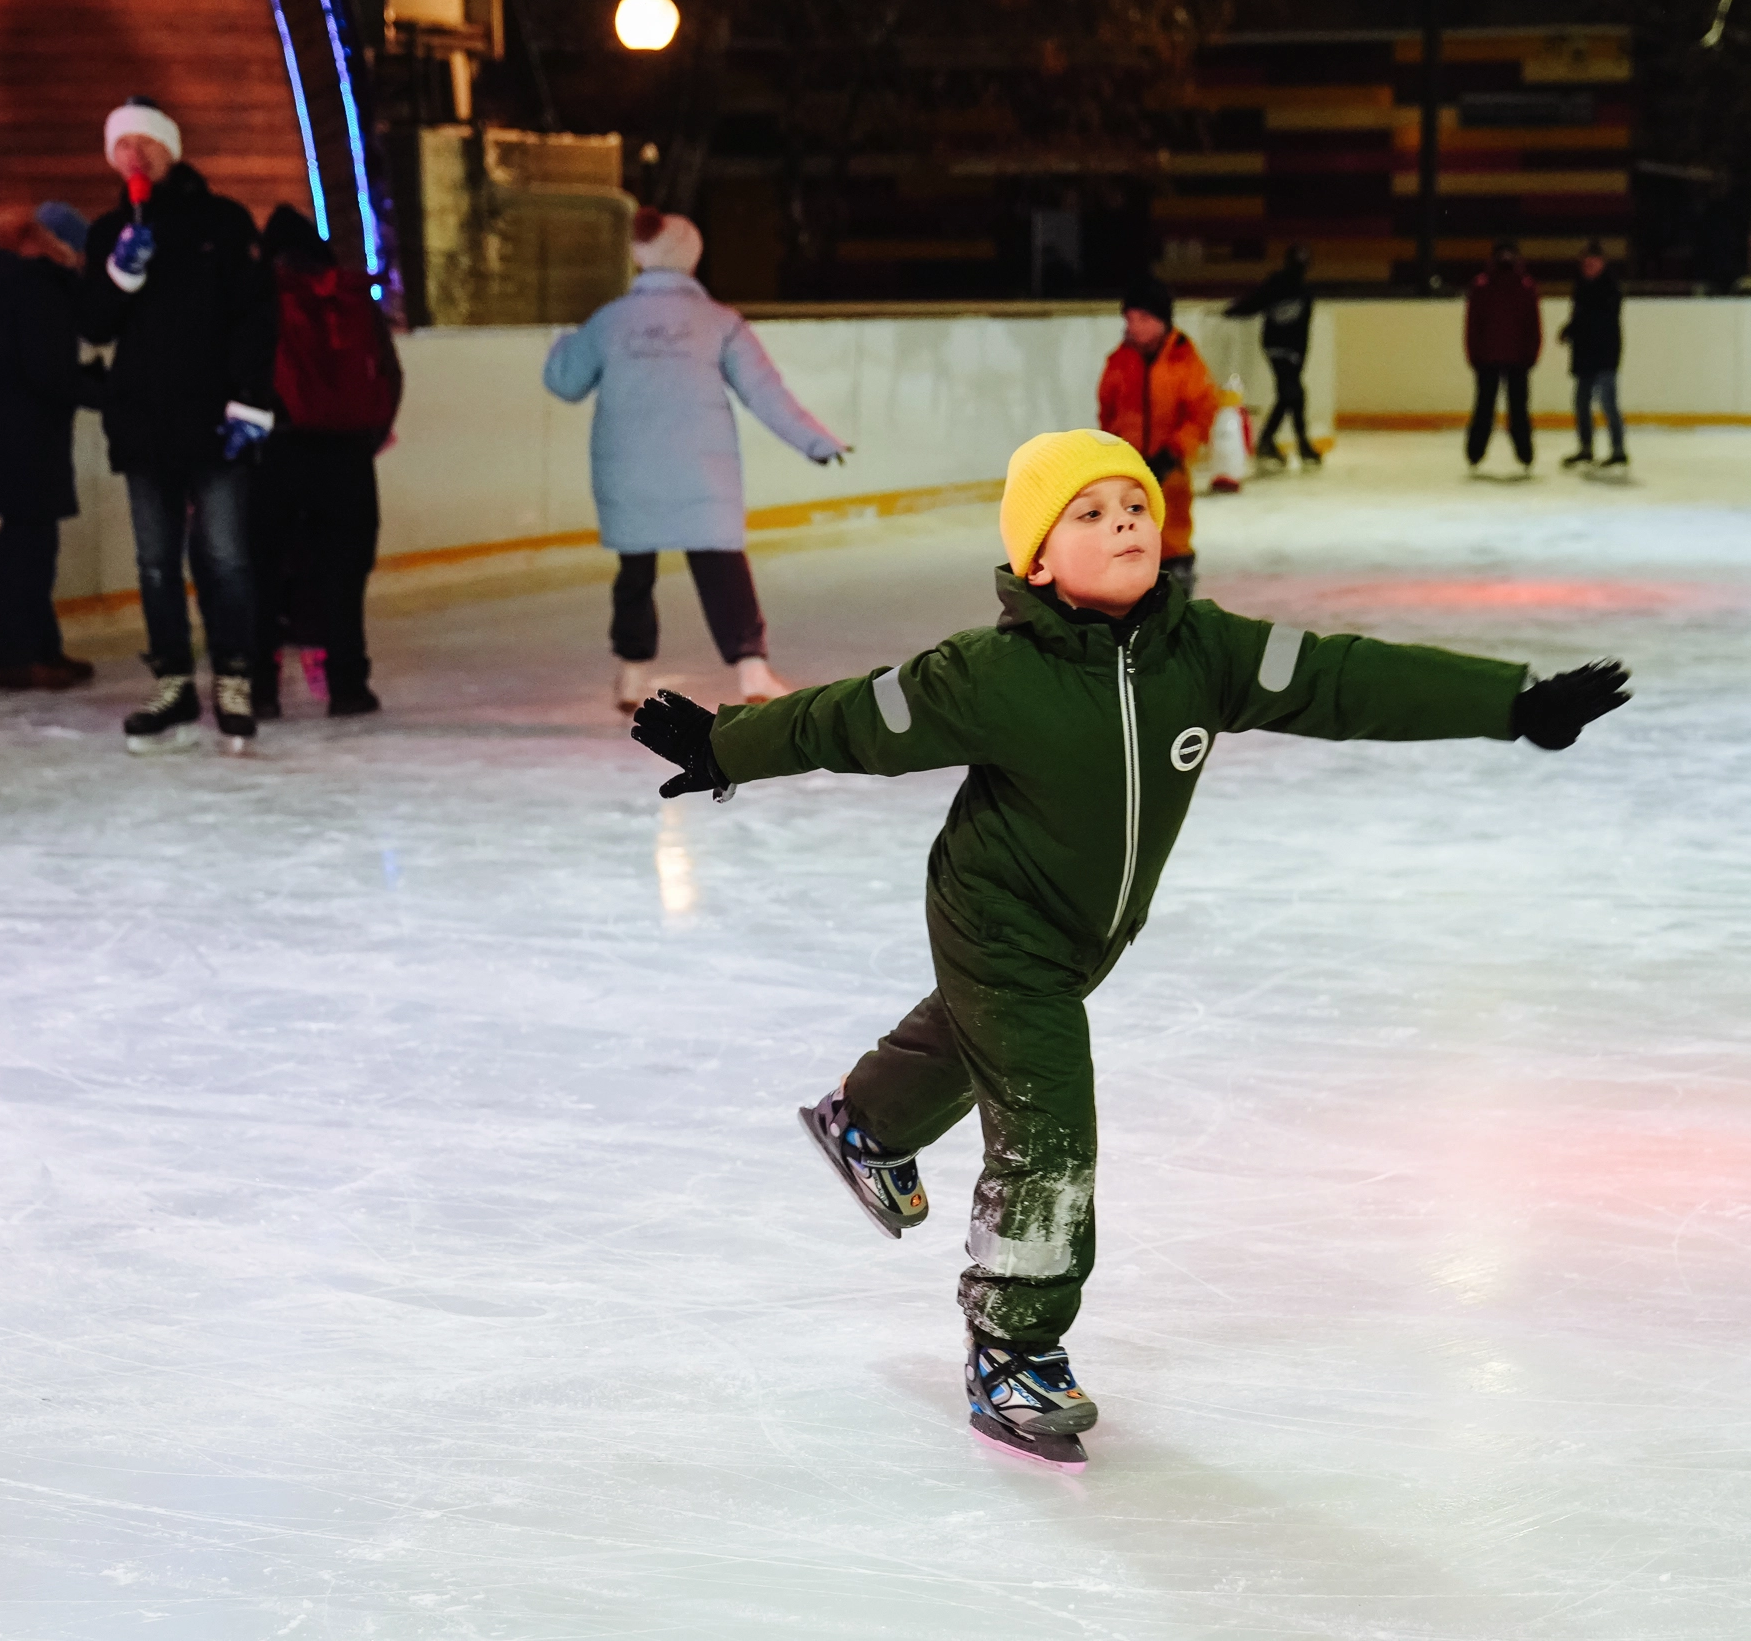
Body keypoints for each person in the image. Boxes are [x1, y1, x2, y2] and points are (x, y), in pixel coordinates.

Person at [626, 428, 1631, 1469]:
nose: (1124, 525)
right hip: (995, 917)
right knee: (1048, 1128)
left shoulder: (1203, 652)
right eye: (1092, 513)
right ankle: (1012, 1345)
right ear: (1036, 558)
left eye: (1136, 507)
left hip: (1087, 929)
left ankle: (865, 1120)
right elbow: (853, 718)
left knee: (985, 1040)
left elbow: (1340, 677)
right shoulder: (987, 674)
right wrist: (724, 744)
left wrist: (1507, 702)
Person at [544, 209, 845, 713]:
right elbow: (765, 393)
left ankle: (631, 676)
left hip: (628, 467)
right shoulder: (719, 322)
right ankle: (752, 671)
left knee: (635, 571)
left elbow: (566, 383)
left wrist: (561, 346)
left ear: (641, 256)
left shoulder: (611, 320)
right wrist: (815, 441)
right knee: (721, 564)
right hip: (701, 469)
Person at [76, 96, 278, 755]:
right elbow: (95, 324)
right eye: (122, 148)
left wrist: (250, 398)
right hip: (143, 422)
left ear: (171, 148)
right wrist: (119, 274)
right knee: (156, 562)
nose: (135, 157)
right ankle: (172, 679)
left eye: (146, 144)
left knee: (224, 555)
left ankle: (236, 676)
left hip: (214, 418)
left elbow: (255, 314)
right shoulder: (111, 231)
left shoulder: (221, 222)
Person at [251, 205, 402, 719]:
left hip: (278, 453)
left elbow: (246, 369)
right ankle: (349, 687)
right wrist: (368, 437)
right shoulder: (354, 298)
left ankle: (261, 690)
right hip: (348, 458)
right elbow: (388, 371)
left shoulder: (261, 292)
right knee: (344, 576)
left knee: (264, 574)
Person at [0, 201, 104, 691]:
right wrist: (109, 393)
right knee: (30, 548)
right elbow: (49, 371)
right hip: (26, 430)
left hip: (10, 425)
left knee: (28, 542)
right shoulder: (37, 285)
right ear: (59, 247)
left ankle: (37, 649)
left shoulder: (8, 277)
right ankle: (23, 655)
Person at [1096, 274, 1217, 591]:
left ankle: (1177, 575)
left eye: (1143, 318)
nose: (1134, 325)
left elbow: (1201, 413)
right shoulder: (1119, 361)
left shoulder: (1184, 359)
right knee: (1127, 527)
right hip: (1129, 468)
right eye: (1129, 318)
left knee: (1171, 526)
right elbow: (1108, 411)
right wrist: (1114, 451)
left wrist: (1174, 451)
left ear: (1162, 321)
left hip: (1169, 467)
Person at [1223, 244, 1318, 469]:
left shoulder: (1299, 290)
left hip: (1284, 350)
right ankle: (1296, 443)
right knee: (1293, 392)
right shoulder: (1290, 287)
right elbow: (1255, 303)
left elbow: (1256, 303)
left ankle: (1273, 440)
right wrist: (1232, 311)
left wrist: (1300, 357)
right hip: (1280, 349)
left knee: (1291, 394)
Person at [1463, 238, 1541, 474]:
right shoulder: (1483, 286)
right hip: (1492, 359)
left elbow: (1532, 325)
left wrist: (1530, 355)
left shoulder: (1524, 286)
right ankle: (1481, 453)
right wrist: (1474, 355)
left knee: (1512, 409)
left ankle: (1520, 453)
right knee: (1488, 408)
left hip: (1512, 360)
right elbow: (1473, 325)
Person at [1560, 240, 1626, 472]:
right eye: (1585, 262)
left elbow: (1599, 320)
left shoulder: (1610, 288)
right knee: (1581, 402)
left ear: (1602, 263)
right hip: (1585, 354)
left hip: (1604, 354)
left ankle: (1618, 450)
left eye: (1592, 262)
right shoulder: (1581, 286)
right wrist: (1569, 330)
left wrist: (1576, 329)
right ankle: (1586, 448)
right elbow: (1581, 317)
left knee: (1608, 403)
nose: (1588, 266)